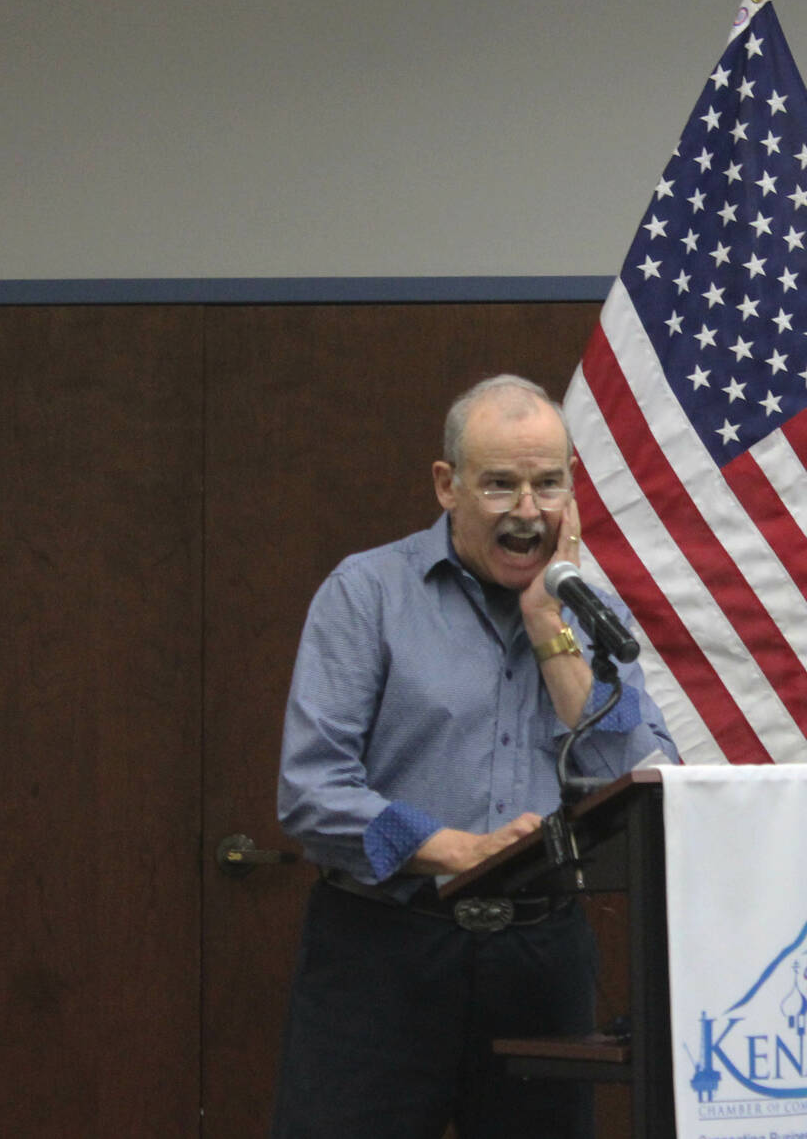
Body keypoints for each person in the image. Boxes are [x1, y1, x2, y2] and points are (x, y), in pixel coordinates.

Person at [269, 374, 678, 1139]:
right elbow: (311, 790)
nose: (529, 513)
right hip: (384, 952)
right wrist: (460, 849)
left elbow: (649, 776)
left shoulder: (593, 612)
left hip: (539, 957)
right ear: (446, 485)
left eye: (548, 484)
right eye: (501, 485)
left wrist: (551, 631)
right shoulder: (368, 594)